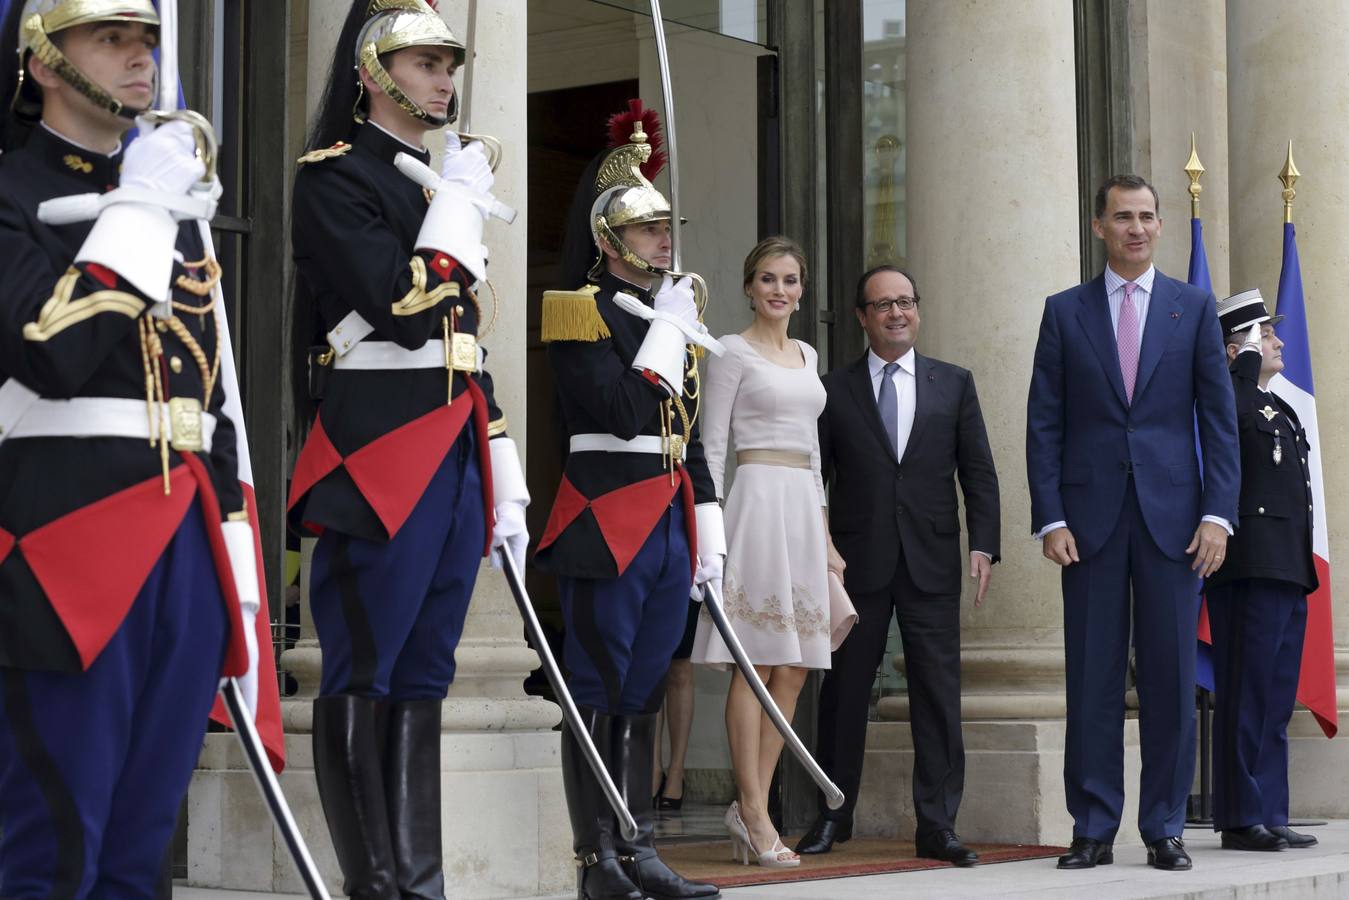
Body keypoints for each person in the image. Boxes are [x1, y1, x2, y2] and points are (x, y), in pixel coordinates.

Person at [0, 1, 262, 896]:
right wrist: (141, 208)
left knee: (142, 842)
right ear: (43, 62)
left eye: (145, 40)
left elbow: (208, 395)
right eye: (109, 39)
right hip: (66, 544)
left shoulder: (165, 204)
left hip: (183, 541)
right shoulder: (13, 192)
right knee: (52, 836)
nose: (139, 59)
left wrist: (238, 568)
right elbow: (51, 347)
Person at [286, 3, 529, 897]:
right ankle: (373, 883)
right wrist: (457, 213)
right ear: (376, 74)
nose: (443, 80)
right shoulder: (334, 177)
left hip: (452, 443)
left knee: (426, 670)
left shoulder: (434, 187)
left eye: (446, 65)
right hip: (376, 446)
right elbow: (396, 300)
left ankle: (416, 879)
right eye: (425, 64)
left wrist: (497, 448)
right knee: (365, 663)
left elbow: (464, 341)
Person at [534, 100, 722, 900]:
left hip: (668, 513)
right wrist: (666, 333)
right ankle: (594, 859)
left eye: (665, 229)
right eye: (648, 231)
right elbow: (611, 411)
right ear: (611, 239)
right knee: (596, 690)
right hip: (606, 515)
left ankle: (637, 845)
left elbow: (687, 427)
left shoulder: (665, 314)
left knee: (644, 692)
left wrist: (706, 517)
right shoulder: (579, 309)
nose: (664, 240)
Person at [1026, 174, 1239, 871]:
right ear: (1098, 227)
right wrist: (1049, 515)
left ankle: (1163, 826)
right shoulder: (1063, 312)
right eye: (1122, 217)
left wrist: (1217, 515)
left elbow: (1218, 420)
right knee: (1090, 676)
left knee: (1171, 680)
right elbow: (1044, 423)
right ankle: (1091, 825)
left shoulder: (1192, 307)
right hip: (1086, 524)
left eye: (1147, 216)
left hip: (1175, 524)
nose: (1137, 228)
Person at [799, 264, 1000, 867]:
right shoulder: (832, 389)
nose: (896, 313)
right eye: (882, 305)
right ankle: (834, 814)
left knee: (938, 696)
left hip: (933, 559)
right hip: (855, 562)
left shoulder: (954, 383)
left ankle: (938, 826)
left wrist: (984, 545)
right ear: (862, 317)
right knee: (843, 693)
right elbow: (816, 479)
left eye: (905, 302)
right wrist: (820, 550)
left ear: (918, 310)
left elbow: (980, 472)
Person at [691, 236, 843, 868]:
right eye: (768, 279)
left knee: (797, 664)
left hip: (803, 514)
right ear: (749, 286)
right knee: (753, 659)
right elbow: (712, 447)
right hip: (751, 506)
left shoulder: (807, 354)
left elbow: (811, 455)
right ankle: (754, 808)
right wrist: (711, 532)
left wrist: (827, 536)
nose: (780, 290)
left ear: (801, 290)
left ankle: (747, 806)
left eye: (790, 280)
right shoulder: (727, 351)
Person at [1207, 289, 1318, 852]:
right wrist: (1239, 366)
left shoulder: (1281, 406)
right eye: (1265, 334)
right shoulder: (1227, 396)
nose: (1278, 341)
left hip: (1285, 565)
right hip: (1248, 564)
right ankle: (1239, 814)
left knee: (1275, 699)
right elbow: (1219, 435)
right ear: (1236, 348)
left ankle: (1270, 809)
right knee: (1246, 693)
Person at [651, 610, 697, 812]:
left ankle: (676, 771)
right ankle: (653, 768)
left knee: (680, 665)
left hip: (689, 582)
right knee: (650, 663)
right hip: (644, 578)